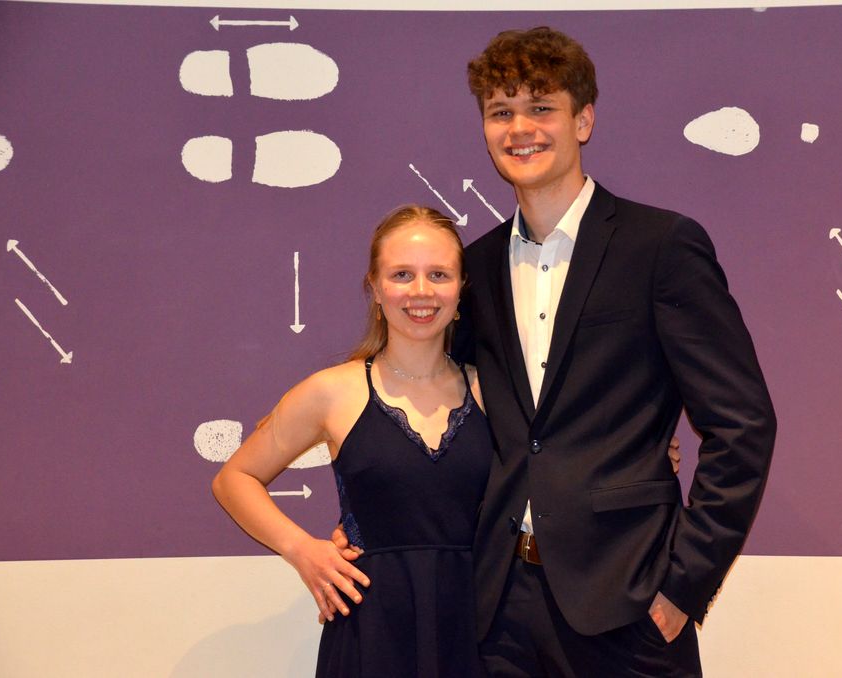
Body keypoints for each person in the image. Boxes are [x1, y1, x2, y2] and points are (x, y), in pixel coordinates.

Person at [450, 27, 777, 676]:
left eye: (541, 107)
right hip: (501, 611)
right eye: (501, 111)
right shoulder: (473, 268)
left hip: (629, 607)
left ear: (583, 120)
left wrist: (683, 587)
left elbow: (743, 425)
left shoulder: (660, 247)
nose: (520, 128)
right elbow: (452, 412)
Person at [211, 205, 493, 678]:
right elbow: (234, 478)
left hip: (481, 630)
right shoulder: (331, 392)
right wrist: (304, 551)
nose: (421, 291)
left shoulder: (495, 390)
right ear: (375, 287)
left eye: (438, 274)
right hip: (372, 634)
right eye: (401, 274)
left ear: (460, 287)